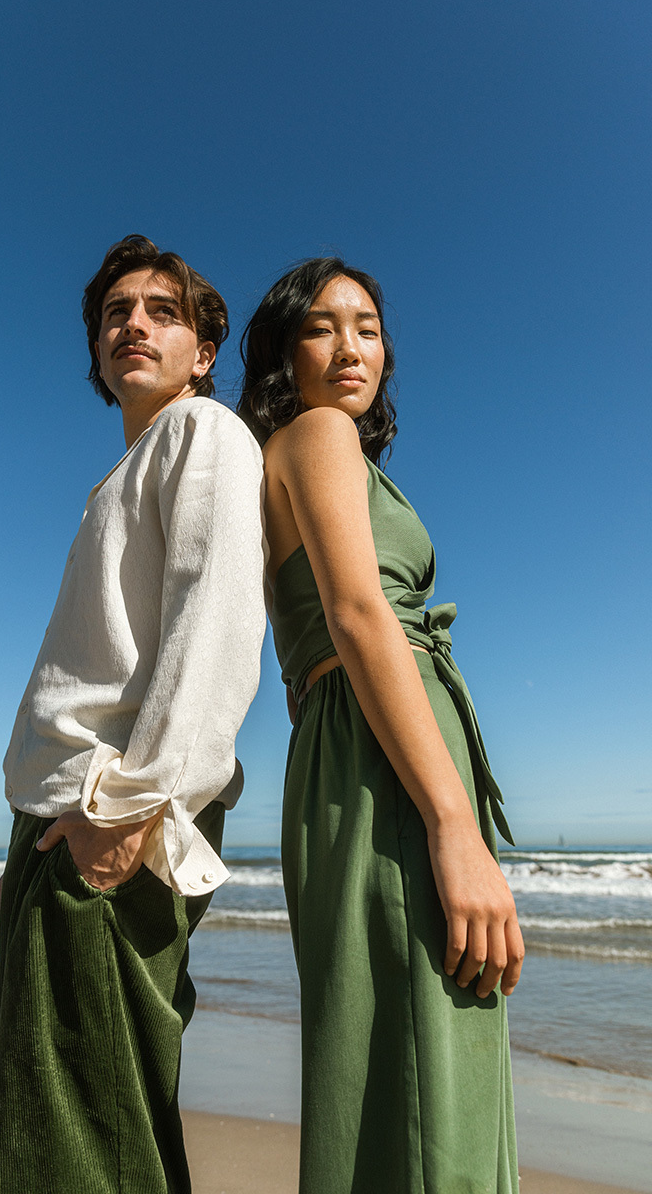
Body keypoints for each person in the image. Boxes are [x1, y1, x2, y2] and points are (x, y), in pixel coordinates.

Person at [0, 235, 267, 1194]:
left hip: (115, 816)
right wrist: (25, 849)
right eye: (115, 313)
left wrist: (130, 811)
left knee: (87, 1144)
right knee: (65, 1125)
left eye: (163, 311)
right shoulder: (132, 468)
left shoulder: (207, 436)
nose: (133, 325)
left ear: (203, 352)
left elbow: (216, 625)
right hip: (66, 822)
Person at [238, 258, 523, 1193]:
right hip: (387, 760)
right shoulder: (317, 433)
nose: (352, 344)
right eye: (322, 326)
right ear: (286, 350)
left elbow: (300, 653)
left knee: (378, 1052)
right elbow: (359, 616)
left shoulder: (281, 458)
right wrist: (451, 823)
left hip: (344, 745)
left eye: (367, 325)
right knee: (431, 1058)